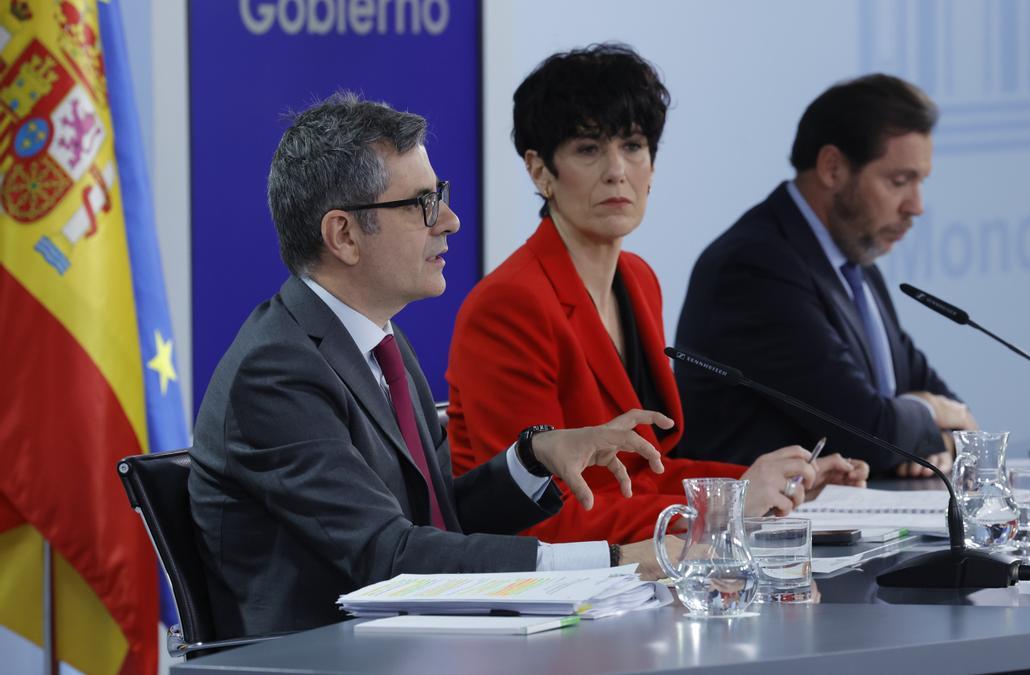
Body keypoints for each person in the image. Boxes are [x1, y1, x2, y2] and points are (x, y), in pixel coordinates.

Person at [189, 92, 682, 640]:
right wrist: (612, 563)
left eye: (440, 196)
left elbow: (436, 516)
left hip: (415, 642)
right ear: (344, 235)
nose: (449, 220)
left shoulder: (380, 338)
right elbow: (390, 555)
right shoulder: (275, 373)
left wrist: (533, 457)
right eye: (422, 203)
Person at [447, 44, 868, 546]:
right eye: (588, 149)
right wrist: (729, 505)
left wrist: (769, 481)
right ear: (540, 171)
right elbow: (538, 520)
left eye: (633, 145)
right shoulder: (510, 305)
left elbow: (644, 474)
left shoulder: (638, 278)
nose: (616, 171)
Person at [674, 73, 977, 478]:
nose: (917, 206)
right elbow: (870, 431)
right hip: (765, 534)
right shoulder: (754, 267)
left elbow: (954, 409)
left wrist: (943, 439)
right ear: (833, 168)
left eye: (920, 182)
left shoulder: (856, 263)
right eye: (899, 181)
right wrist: (930, 414)